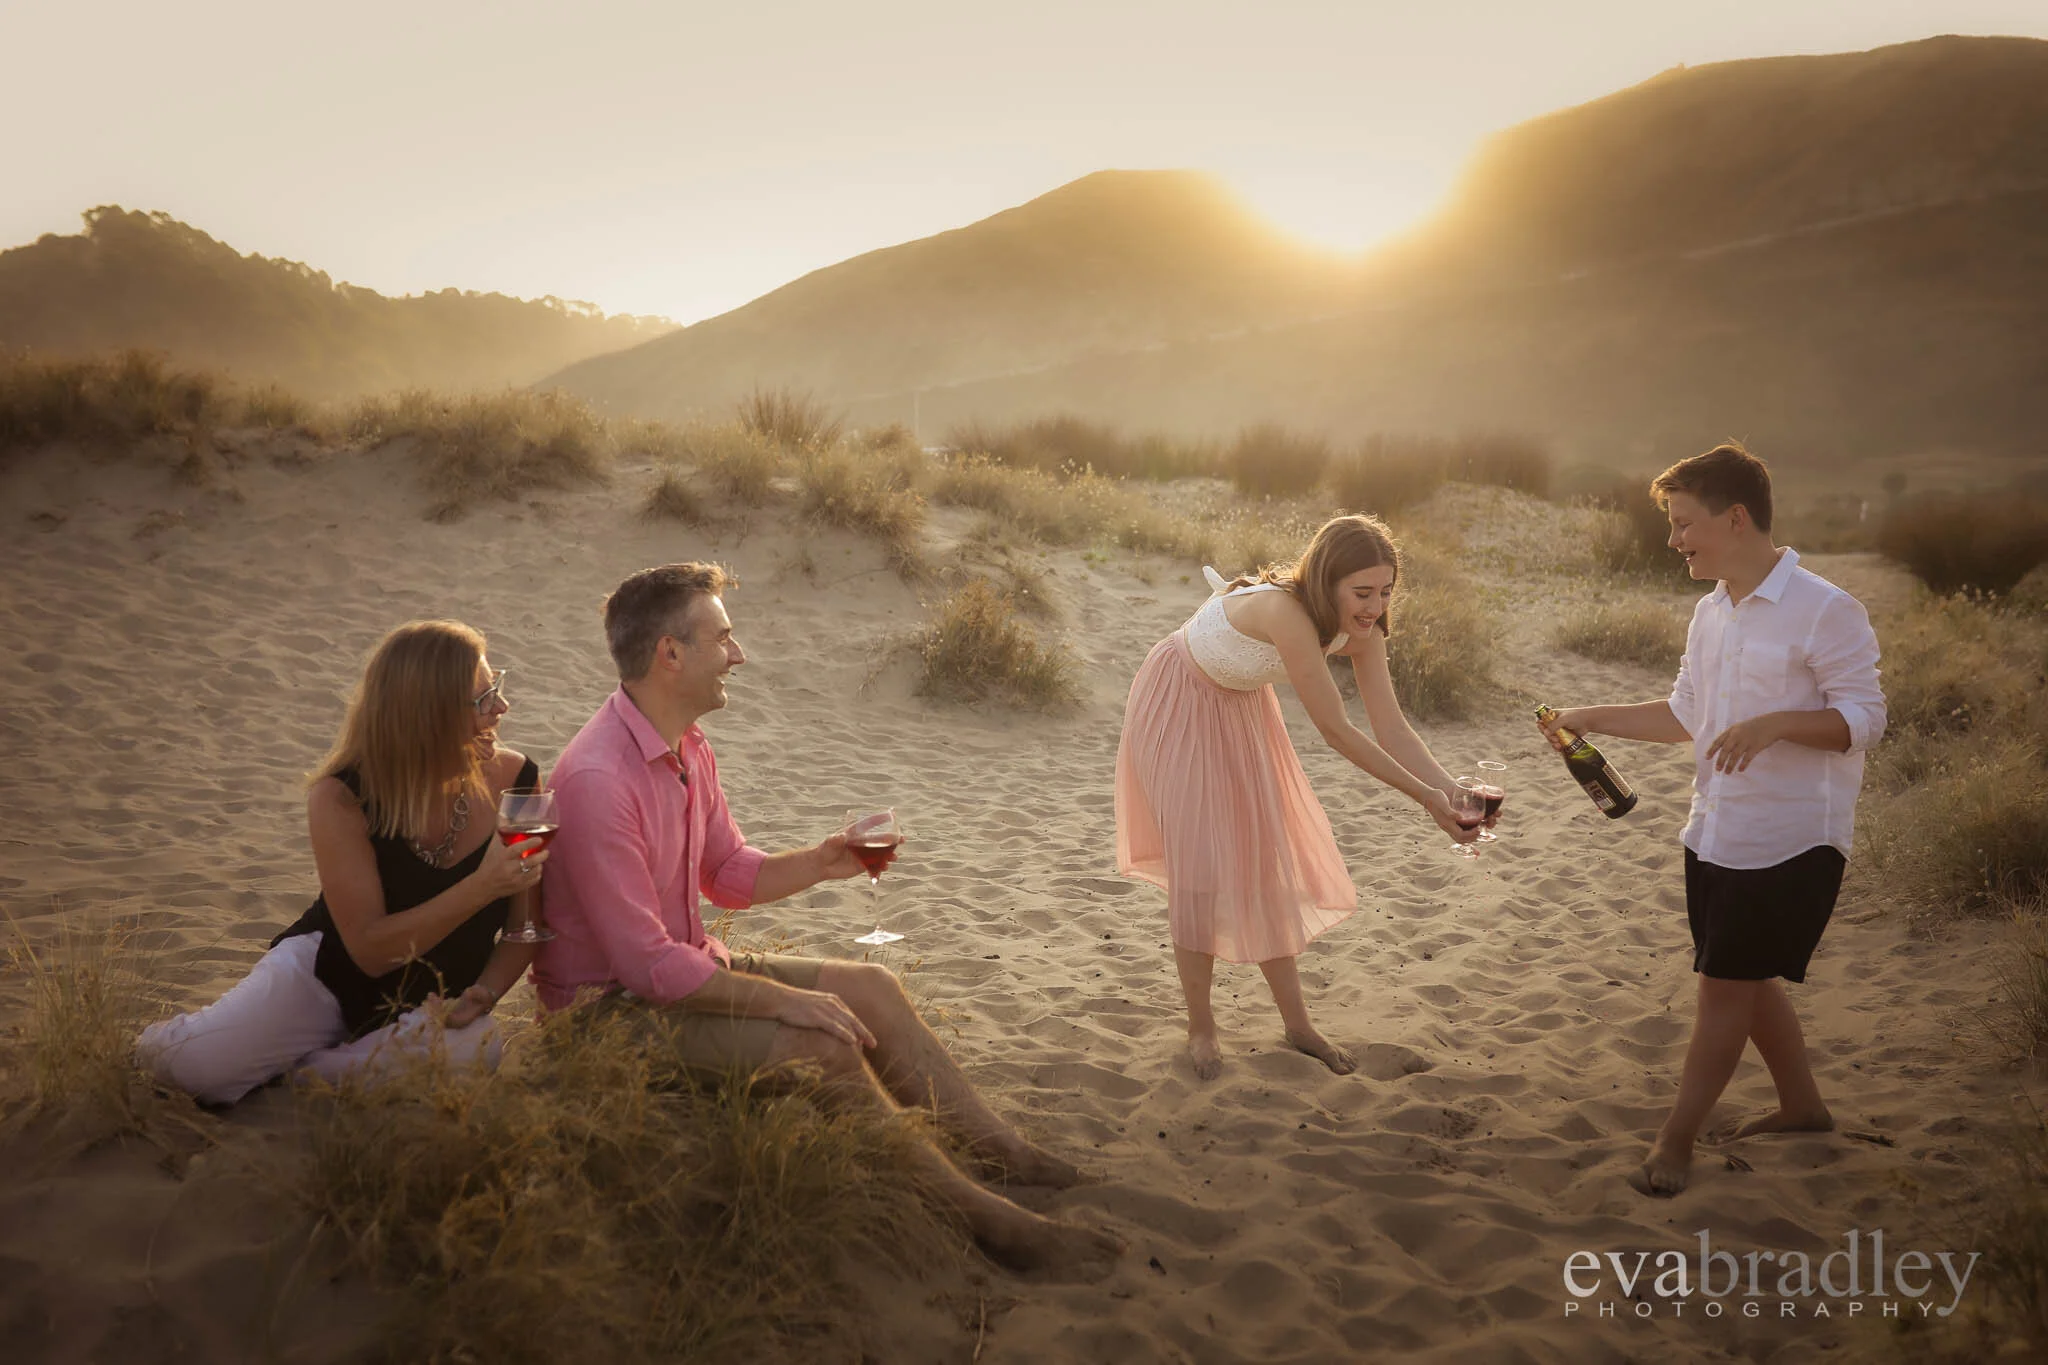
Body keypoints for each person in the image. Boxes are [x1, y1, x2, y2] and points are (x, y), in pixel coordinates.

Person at [535, 562, 1122, 1274]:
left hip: (677, 972)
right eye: (723, 637)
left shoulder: (687, 746)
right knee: (824, 1044)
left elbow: (724, 873)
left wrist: (821, 860)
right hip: (609, 1014)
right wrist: (789, 1001)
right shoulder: (599, 777)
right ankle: (991, 1222)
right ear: (670, 654)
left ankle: (1008, 1155)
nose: (739, 653)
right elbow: (647, 967)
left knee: (870, 986)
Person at [1538, 442, 1886, 1197]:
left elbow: (1865, 717)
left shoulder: (1827, 608)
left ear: (1735, 518)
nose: (1673, 541)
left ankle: (1675, 1140)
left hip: (1792, 836)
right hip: (1715, 828)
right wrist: (1587, 714)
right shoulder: (1710, 610)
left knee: (1723, 986)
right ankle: (1803, 1107)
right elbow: (1683, 714)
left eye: (1684, 523)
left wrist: (1775, 724)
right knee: (1748, 978)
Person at [1114, 513, 1479, 1081]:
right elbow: (1337, 732)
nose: (1374, 607)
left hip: (1240, 706)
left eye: (1385, 591)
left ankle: (1298, 1025)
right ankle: (1202, 1027)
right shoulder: (1288, 613)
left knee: (1264, 861)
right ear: (1324, 580)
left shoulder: (1364, 630)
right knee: (1202, 869)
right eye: (1361, 592)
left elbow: (1391, 728)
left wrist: (1451, 789)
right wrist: (1427, 800)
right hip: (1179, 697)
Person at [138, 621, 548, 1106]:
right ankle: (188, 1044)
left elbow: (526, 929)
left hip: (433, 1003)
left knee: (475, 1048)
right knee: (198, 1070)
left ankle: (303, 1071)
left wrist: (484, 992)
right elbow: (370, 951)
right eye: (483, 699)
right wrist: (480, 888)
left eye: (496, 687)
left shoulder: (518, 782)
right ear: (428, 717)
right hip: (328, 979)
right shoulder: (341, 796)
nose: (502, 708)